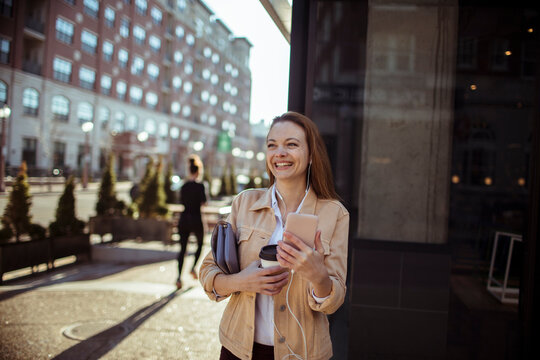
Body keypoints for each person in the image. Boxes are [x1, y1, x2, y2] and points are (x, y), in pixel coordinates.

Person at [200, 111, 349, 360]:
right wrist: (242, 281)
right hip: (237, 349)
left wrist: (318, 275)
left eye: (291, 144)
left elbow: (334, 301)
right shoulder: (244, 203)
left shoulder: (335, 214)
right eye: (272, 145)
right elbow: (207, 273)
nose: (279, 153)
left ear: (311, 155)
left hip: (302, 353)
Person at [176, 155, 207, 289]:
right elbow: (204, 202)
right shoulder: (200, 186)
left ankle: (178, 277)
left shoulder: (184, 186)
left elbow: (181, 201)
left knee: (182, 249)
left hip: (184, 219)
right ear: (198, 171)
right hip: (196, 218)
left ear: (189, 171)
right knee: (200, 244)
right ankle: (193, 267)